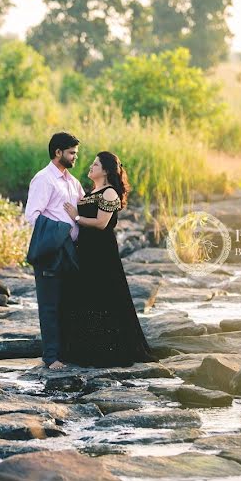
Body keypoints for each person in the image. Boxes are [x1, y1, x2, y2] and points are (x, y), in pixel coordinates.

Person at [60, 151, 156, 367]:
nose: (91, 167)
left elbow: (102, 223)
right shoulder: (93, 191)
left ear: (105, 170)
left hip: (101, 252)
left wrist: (75, 216)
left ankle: (109, 349)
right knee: (87, 296)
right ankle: (86, 347)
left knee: (103, 294)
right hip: (86, 249)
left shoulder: (109, 192)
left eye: (95, 164)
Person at [24, 132, 85, 370]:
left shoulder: (73, 181)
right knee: (49, 306)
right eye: (71, 153)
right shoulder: (43, 179)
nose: (75, 157)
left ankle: (67, 352)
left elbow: (84, 207)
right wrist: (61, 232)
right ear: (58, 152)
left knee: (69, 304)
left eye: (76, 153)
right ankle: (51, 358)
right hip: (51, 250)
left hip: (71, 252)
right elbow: (32, 215)